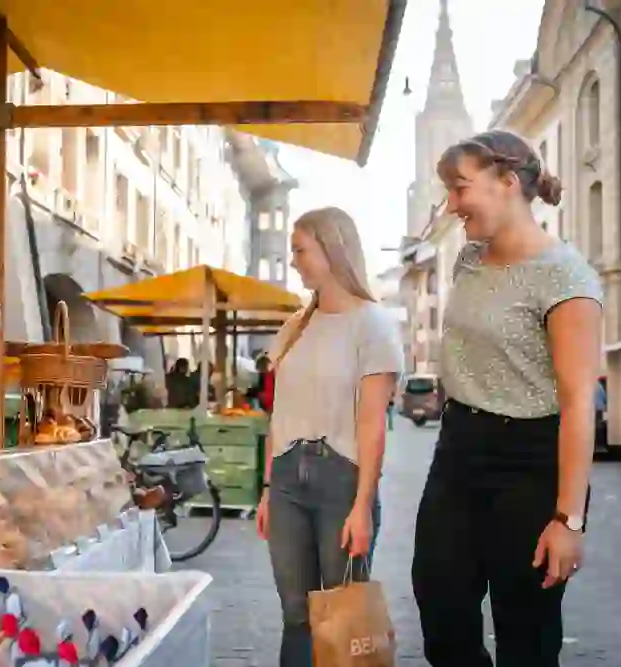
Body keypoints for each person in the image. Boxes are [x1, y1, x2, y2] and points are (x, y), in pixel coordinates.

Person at [411, 130, 602, 667]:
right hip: (457, 450)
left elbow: (579, 404)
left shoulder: (566, 277)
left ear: (508, 182)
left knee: (526, 636)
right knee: (441, 608)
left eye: (460, 188)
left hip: (530, 463)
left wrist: (569, 521)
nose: (452, 205)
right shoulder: (468, 259)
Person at [254, 207, 402, 667]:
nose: (293, 261)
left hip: (342, 480)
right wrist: (267, 489)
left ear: (331, 248)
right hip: (286, 480)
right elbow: (278, 416)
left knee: (341, 617)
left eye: (300, 250)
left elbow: (372, 425)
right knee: (295, 614)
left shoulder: (372, 324)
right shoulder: (294, 327)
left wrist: (363, 506)